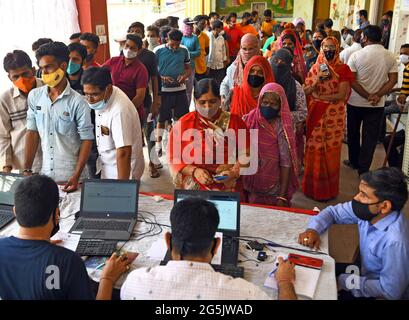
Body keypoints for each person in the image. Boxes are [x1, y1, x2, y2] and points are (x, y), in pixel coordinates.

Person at [121, 198, 297, 300]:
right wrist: (284, 282)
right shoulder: (246, 294)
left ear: (168, 241)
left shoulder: (135, 282)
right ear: (216, 245)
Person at [0, 175, 133, 300]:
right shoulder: (67, 262)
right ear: (57, 213)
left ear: (15, 211)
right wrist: (108, 279)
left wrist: (39, 245)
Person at [298, 167, 409, 300]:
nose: (356, 198)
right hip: (363, 272)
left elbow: (390, 291)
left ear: (384, 206)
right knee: (312, 269)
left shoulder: (395, 242)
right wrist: (313, 229)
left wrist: (345, 281)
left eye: (364, 195)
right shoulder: (371, 212)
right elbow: (333, 212)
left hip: (377, 293)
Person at [24, 42, 94, 191]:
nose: (44, 72)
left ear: (62, 66)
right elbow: (32, 132)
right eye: (42, 68)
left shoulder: (78, 102)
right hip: (46, 175)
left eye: (48, 67)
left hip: (73, 178)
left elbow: (87, 139)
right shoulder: (35, 96)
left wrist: (76, 175)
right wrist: (27, 168)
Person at [168, 79, 249, 193]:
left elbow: (246, 153)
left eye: (212, 101)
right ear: (195, 101)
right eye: (202, 102)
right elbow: (173, 158)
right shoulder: (183, 124)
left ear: (220, 100)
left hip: (229, 185)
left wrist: (234, 172)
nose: (207, 107)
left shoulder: (235, 122)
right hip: (195, 187)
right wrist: (194, 171)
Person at [302, 37, 354, 201]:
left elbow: (341, 94)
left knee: (330, 150)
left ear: (337, 49)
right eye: (326, 47)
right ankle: (311, 188)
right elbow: (307, 92)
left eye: (332, 47)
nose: (329, 50)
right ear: (321, 49)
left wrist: (322, 96)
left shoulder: (343, 69)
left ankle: (327, 190)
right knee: (314, 148)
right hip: (315, 113)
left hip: (334, 116)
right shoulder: (315, 68)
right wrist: (317, 81)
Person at [345, 25, 398, 175]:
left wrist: (367, 95)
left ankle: (354, 161)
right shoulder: (390, 56)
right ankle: (363, 169)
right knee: (370, 137)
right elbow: (393, 80)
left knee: (353, 133)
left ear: (365, 38)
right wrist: (377, 95)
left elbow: (352, 81)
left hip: (355, 102)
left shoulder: (356, 55)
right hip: (377, 105)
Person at [82, 67, 144, 180]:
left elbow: (124, 152)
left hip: (122, 173)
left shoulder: (120, 110)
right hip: (108, 167)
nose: (90, 99)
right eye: (86, 94)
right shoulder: (103, 98)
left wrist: (121, 187)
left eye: (94, 94)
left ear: (108, 88)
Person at [243, 83, 299, 207]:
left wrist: (282, 196)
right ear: (260, 101)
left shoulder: (282, 127)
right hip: (249, 184)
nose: (268, 106)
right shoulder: (249, 119)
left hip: (273, 188)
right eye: (265, 102)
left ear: (280, 106)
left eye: (273, 104)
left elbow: (285, 163)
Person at [0, 51, 42, 173]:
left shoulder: (49, 89)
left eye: (25, 74)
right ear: (9, 77)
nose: (22, 80)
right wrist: (6, 166)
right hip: (21, 164)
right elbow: (3, 136)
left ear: (33, 70)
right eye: (16, 77)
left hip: (51, 162)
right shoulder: (5, 99)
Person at [154, 29, 191, 154]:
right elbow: (153, 72)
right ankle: (158, 146)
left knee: (183, 119)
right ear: (166, 39)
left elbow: (188, 69)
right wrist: (163, 78)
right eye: (172, 44)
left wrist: (185, 76)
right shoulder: (158, 51)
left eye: (177, 44)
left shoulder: (184, 50)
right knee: (161, 119)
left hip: (180, 90)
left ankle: (183, 144)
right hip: (164, 91)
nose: (175, 47)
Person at [67, 43, 100, 180]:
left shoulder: (89, 80)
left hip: (90, 135)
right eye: (68, 59)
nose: (70, 63)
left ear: (83, 61)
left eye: (75, 59)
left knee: (93, 174)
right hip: (68, 136)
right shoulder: (61, 81)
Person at [271, 49, 307, 170]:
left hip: (286, 133)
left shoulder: (295, 86)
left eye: (283, 62)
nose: (278, 64)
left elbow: (303, 113)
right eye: (276, 60)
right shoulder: (264, 82)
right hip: (265, 132)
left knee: (284, 166)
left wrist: (282, 115)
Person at [103, 34, 149, 124]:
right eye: (127, 46)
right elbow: (99, 73)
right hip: (112, 107)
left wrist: (126, 110)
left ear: (139, 51)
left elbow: (139, 97)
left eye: (133, 48)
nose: (128, 50)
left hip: (131, 111)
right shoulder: (114, 61)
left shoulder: (141, 70)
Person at [220, 34, 260, 106]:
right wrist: (223, 97)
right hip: (236, 107)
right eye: (244, 49)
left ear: (257, 48)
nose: (247, 52)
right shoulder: (234, 67)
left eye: (251, 49)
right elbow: (225, 83)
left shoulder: (263, 67)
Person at [181, 18, 201, 107]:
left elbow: (198, 52)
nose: (191, 27)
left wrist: (187, 54)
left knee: (189, 90)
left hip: (190, 67)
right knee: (180, 89)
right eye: (188, 25)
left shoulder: (195, 38)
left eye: (192, 25)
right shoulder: (180, 37)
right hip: (179, 67)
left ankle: (186, 109)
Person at [206, 20, 228, 87]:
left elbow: (223, 50)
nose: (222, 30)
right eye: (221, 28)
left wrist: (225, 60)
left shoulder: (221, 38)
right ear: (216, 28)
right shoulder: (208, 36)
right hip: (210, 65)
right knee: (210, 83)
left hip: (220, 65)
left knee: (219, 83)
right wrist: (207, 66)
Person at [193, 15, 210, 82]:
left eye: (205, 24)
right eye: (202, 24)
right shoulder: (187, 36)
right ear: (195, 23)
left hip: (201, 67)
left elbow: (207, 51)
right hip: (190, 68)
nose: (204, 26)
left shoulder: (205, 36)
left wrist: (200, 56)